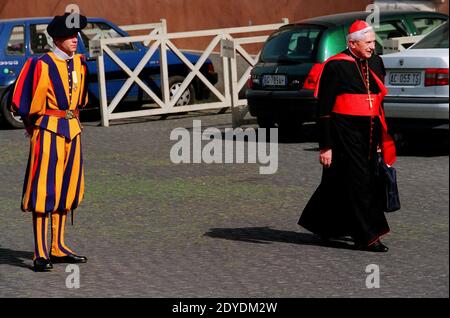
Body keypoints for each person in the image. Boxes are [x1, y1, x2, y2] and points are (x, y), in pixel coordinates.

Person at [298, 20, 397, 252]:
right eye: (368, 42)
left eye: (374, 41)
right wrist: (325, 146)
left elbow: (377, 102)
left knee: (336, 183)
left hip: (371, 133)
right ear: (353, 44)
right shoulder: (335, 66)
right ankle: (367, 236)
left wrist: (382, 138)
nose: (373, 46)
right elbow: (323, 110)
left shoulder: (376, 62)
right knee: (360, 183)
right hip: (344, 134)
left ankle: (323, 224)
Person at [11, 12, 89, 271]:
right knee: (44, 191)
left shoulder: (80, 63)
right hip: (48, 132)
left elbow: (83, 100)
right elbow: (22, 101)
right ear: (57, 39)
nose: (74, 39)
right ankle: (40, 253)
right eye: (69, 36)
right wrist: (31, 126)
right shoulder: (41, 64)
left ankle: (58, 246)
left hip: (73, 131)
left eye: (75, 34)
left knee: (67, 190)